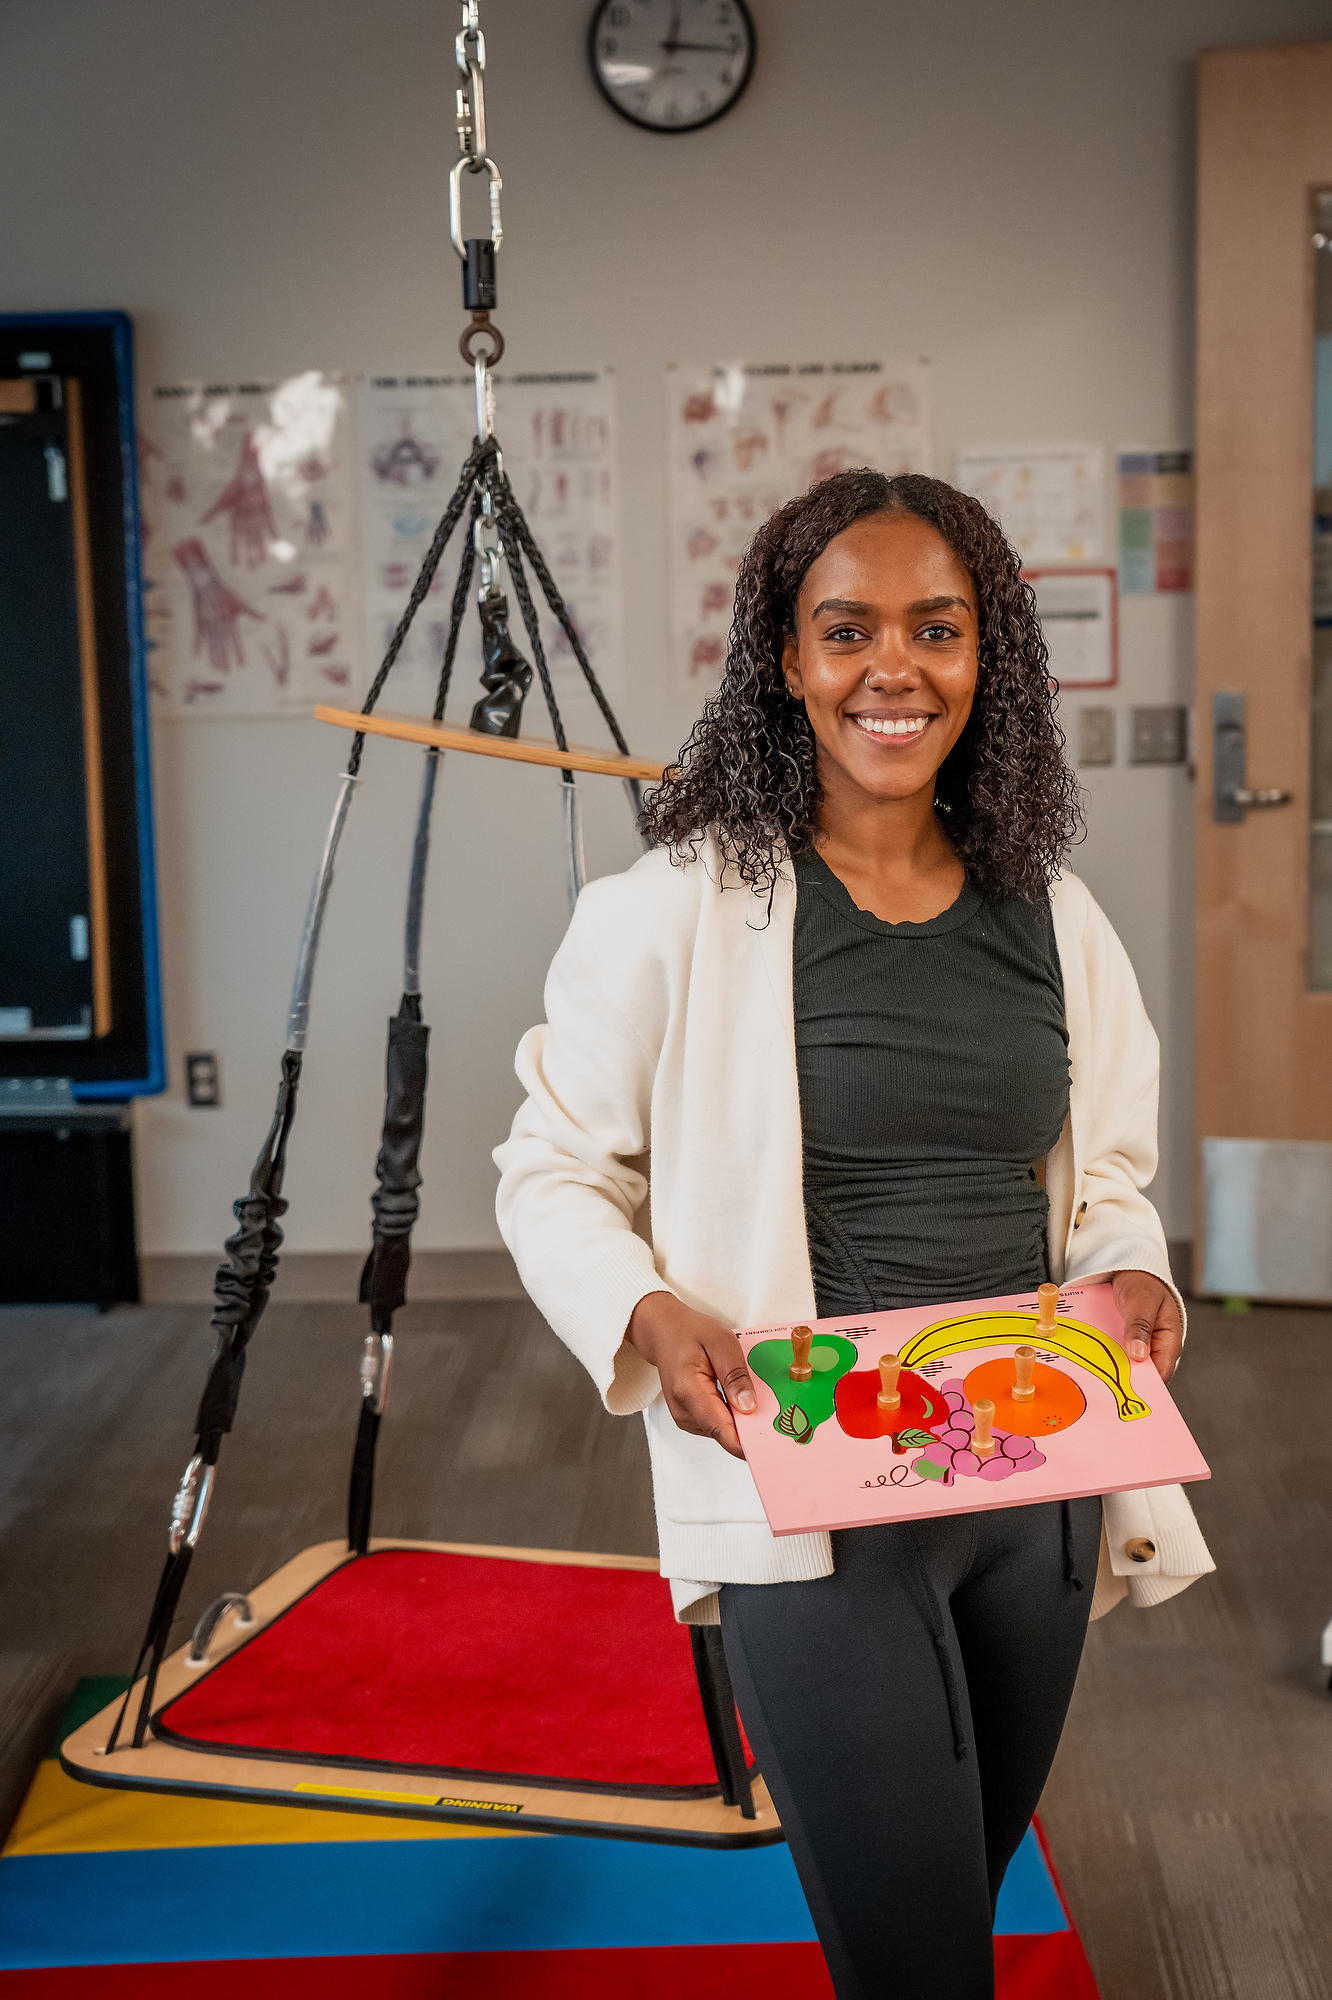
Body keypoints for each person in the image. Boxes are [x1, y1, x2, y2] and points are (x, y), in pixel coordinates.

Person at [494, 469, 1210, 1999]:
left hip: (1037, 1478)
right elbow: (550, 1167)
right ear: (786, 662)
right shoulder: (669, 912)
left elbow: (1108, 1183)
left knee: (962, 1902)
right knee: (919, 1959)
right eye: (848, 630)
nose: (895, 667)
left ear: (986, 659)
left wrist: (1134, 1265)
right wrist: (635, 1308)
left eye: (937, 629)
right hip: (806, 1485)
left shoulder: (1055, 915)